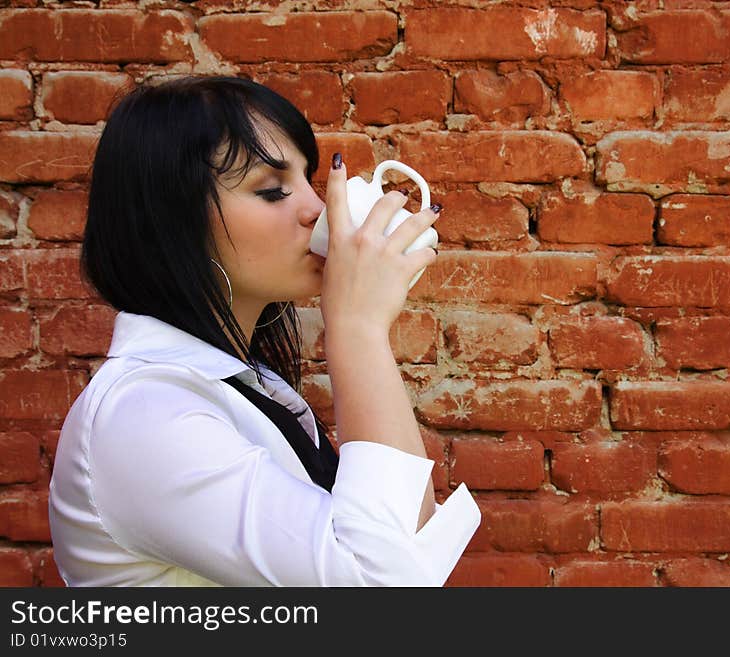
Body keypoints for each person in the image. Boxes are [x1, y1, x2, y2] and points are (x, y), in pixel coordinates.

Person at [48, 75, 481, 586]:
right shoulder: (143, 418)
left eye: (309, 180)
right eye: (273, 190)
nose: (317, 210)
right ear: (171, 220)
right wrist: (358, 328)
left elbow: (407, 537)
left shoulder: (251, 385)